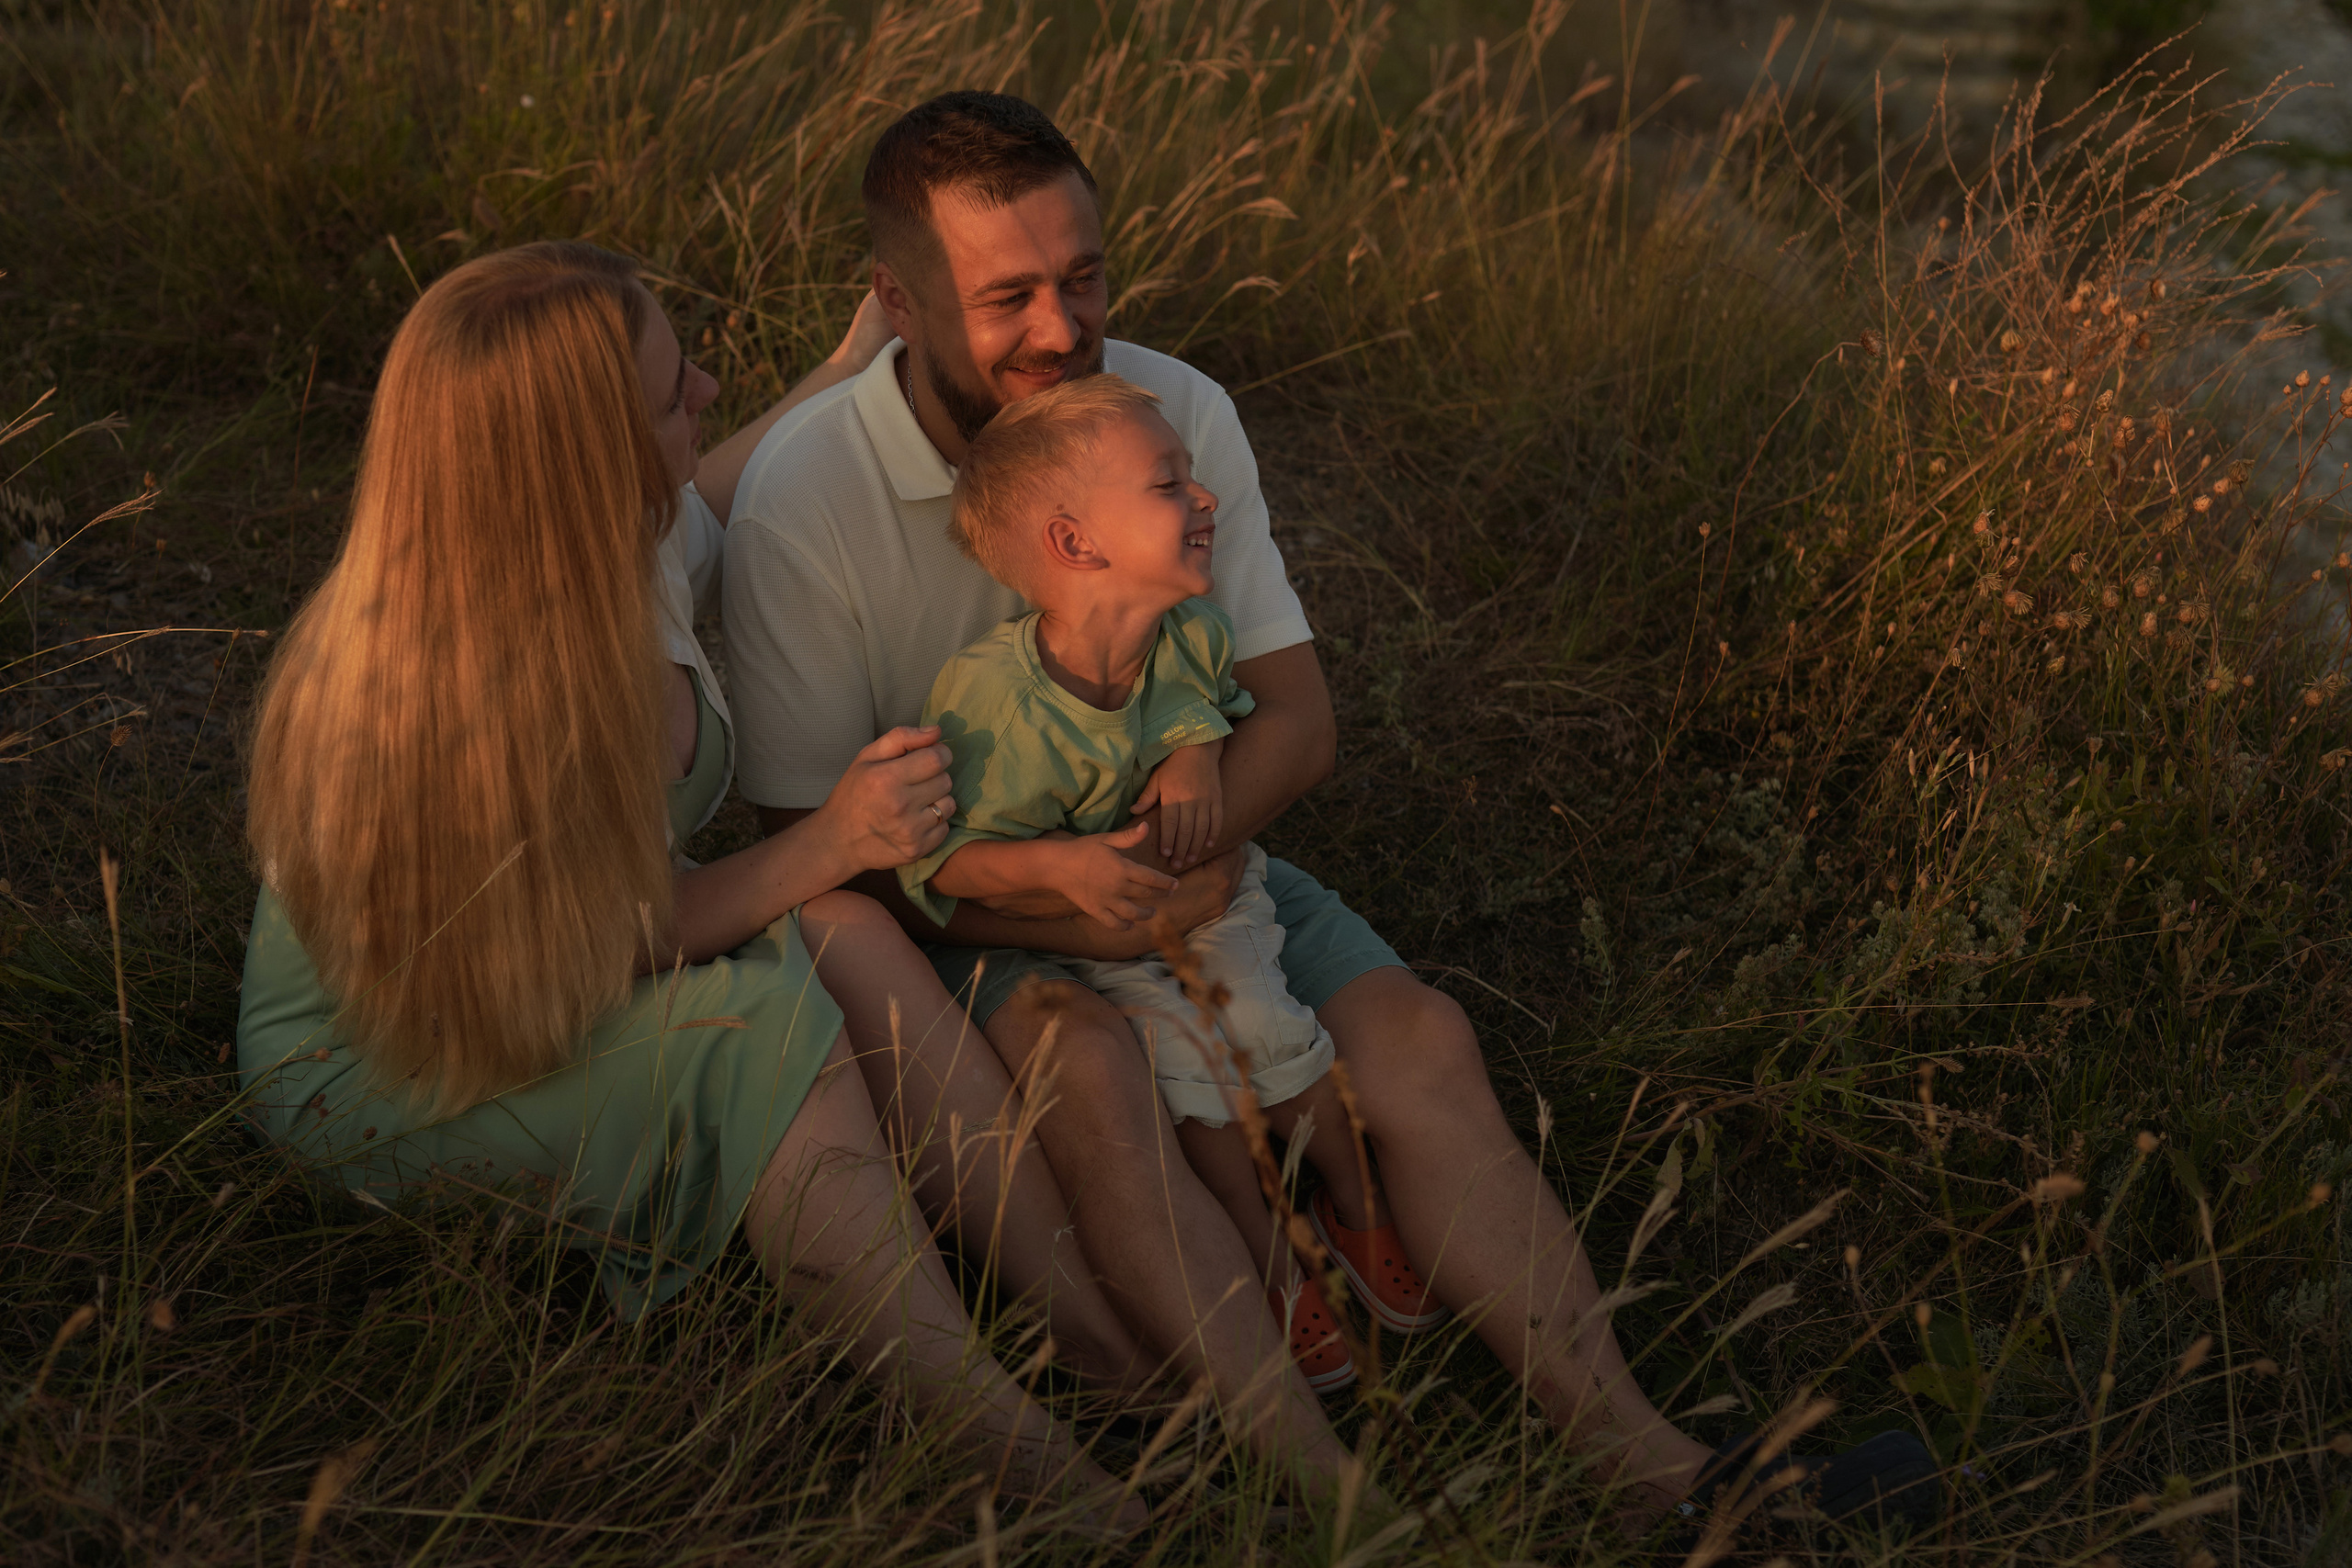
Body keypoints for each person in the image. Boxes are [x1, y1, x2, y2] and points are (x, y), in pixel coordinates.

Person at [721, 89, 1939, 1528]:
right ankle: (1343, 1507)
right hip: (966, 920)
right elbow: (817, 865)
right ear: (900, 302)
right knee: (1092, 1065)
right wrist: (1061, 892)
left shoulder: (1173, 414)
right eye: (1010, 297)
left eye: (1086, 276)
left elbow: (1296, 717)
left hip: (1205, 858)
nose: (1063, 327)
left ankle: (1662, 1478)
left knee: (1419, 1036)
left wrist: (1189, 846)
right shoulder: (808, 498)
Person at [233, 239, 1149, 1529]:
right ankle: (1004, 1447)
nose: (709, 390)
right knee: (751, 1034)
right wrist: (832, 835)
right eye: (674, 393)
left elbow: (709, 494)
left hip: (554, 948)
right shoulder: (466, 694)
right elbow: (612, 941)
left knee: (842, 937)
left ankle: (1099, 1331)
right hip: (389, 1047)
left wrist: (837, 377)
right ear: (586, 462)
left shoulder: (611, 536)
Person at [895, 374, 1446, 1400]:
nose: (1207, 502)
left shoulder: (1187, 635)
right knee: (1200, 1106)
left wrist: (1196, 754)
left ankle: (1357, 1200)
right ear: (1075, 545)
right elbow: (941, 861)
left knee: (1278, 1050)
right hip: (1079, 934)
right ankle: (1272, 1260)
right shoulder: (988, 705)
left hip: (1205, 906)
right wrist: (1056, 866)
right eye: (1168, 486)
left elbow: (1205, 703)